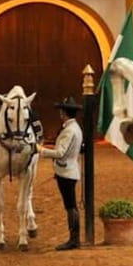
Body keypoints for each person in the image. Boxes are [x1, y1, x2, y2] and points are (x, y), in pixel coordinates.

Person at [36, 96, 83, 251]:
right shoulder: (74, 128)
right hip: (69, 170)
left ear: (65, 112)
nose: (60, 113)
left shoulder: (69, 130)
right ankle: (74, 238)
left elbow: (60, 152)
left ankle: (74, 239)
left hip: (66, 172)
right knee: (71, 206)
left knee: (70, 206)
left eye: (61, 110)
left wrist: (40, 150)